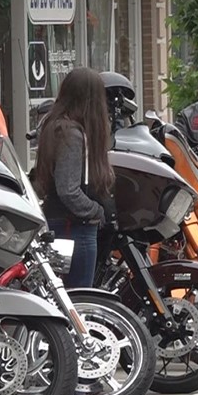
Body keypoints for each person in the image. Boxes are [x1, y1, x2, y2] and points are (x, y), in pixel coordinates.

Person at [31, 67, 115, 288]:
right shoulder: (72, 134)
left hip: (64, 223)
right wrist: (95, 211)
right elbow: (68, 189)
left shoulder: (56, 126)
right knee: (79, 296)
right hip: (74, 227)